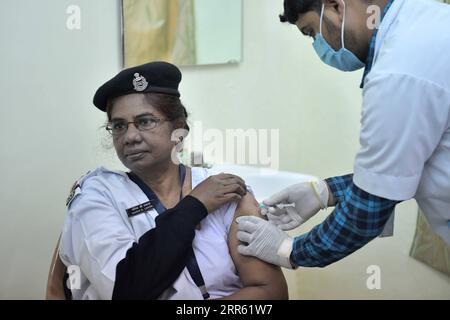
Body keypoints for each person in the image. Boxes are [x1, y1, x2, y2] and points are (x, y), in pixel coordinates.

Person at [237, 0, 450, 269]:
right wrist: (325, 192)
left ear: (337, 7)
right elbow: (405, 164)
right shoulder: (428, 21)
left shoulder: (397, 72)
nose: (319, 45)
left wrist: (289, 249)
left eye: (311, 32)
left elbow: (373, 203)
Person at [57, 61, 288, 299]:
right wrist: (194, 206)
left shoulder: (225, 191)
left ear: (179, 129)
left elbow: (270, 293)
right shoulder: (97, 195)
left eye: (145, 121)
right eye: (118, 126)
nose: (130, 136)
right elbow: (126, 290)